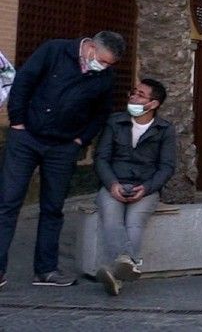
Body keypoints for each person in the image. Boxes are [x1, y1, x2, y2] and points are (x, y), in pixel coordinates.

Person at [0, 31, 125, 289]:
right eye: (101, 60)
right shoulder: (55, 50)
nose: (103, 66)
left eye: (109, 64)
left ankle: (46, 271)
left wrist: (81, 140)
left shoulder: (104, 77)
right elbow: (24, 82)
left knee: (53, 209)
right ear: (90, 47)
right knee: (7, 203)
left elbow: (101, 113)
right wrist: (18, 122)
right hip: (26, 138)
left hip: (63, 147)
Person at [93, 78, 176, 296]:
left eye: (140, 95)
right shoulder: (115, 122)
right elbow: (101, 157)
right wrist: (112, 185)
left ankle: (115, 272)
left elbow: (166, 167)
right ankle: (128, 264)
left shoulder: (164, 129)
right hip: (114, 182)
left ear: (154, 103)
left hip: (145, 186)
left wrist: (147, 188)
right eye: (133, 93)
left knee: (134, 221)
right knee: (111, 217)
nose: (133, 97)